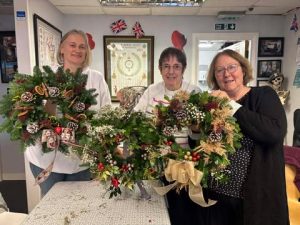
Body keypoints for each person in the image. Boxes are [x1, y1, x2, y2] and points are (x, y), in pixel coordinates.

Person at [202, 49, 289, 225]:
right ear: (215, 76)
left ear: (243, 69)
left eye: (232, 67)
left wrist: (230, 105)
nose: (226, 74)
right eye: (219, 70)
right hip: (217, 197)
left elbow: (274, 133)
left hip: (254, 200)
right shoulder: (214, 104)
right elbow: (203, 146)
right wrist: (195, 130)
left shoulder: (264, 95)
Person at [25, 29, 111, 196]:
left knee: (79, 206)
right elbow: (31, 114)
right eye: (72, 45)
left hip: (82, 159)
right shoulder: (45, 75)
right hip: (46, 158)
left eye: (82, 46)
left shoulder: (96, 78)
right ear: (61, 49)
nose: (77, 50)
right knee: (51, 207)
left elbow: (105, 114)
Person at [134, 47, 202, 225]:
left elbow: (200, 134)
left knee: (182, 212)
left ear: (183, 69)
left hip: (185, 164)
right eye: (166, 66)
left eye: (176, 66)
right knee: (156, 211)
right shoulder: (152, 91)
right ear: (160, 69)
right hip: (156, 163)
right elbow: (136, 120)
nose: (171, 71)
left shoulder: (194, 92)